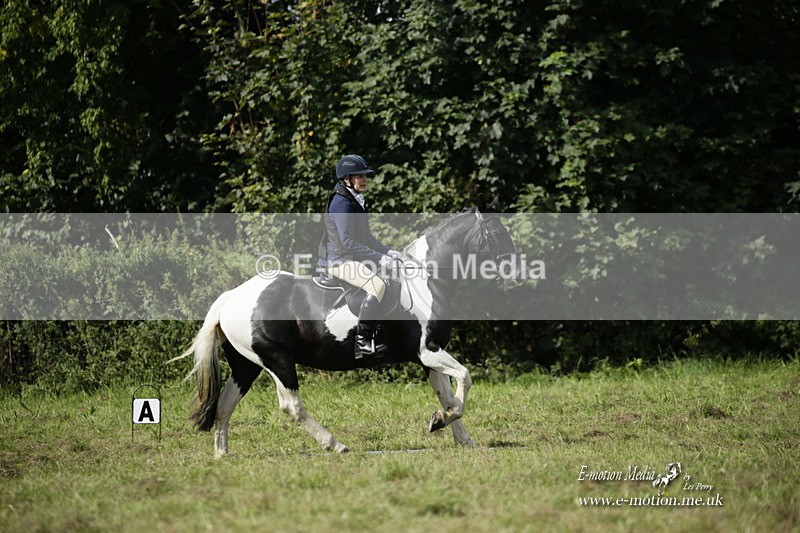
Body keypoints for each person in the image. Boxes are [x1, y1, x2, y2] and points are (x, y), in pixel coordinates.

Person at [318, 154, 401, 359]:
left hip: (352, 257)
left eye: (365, 176)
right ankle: (362, 342)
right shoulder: (341, 203)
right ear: (347, 179)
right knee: (377, 285)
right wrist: (380, 258)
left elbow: (366, 238)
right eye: (359, 176)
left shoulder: (354, 199)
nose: (364, 179)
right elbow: (348, 242)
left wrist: (388, 252)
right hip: (339, 261)